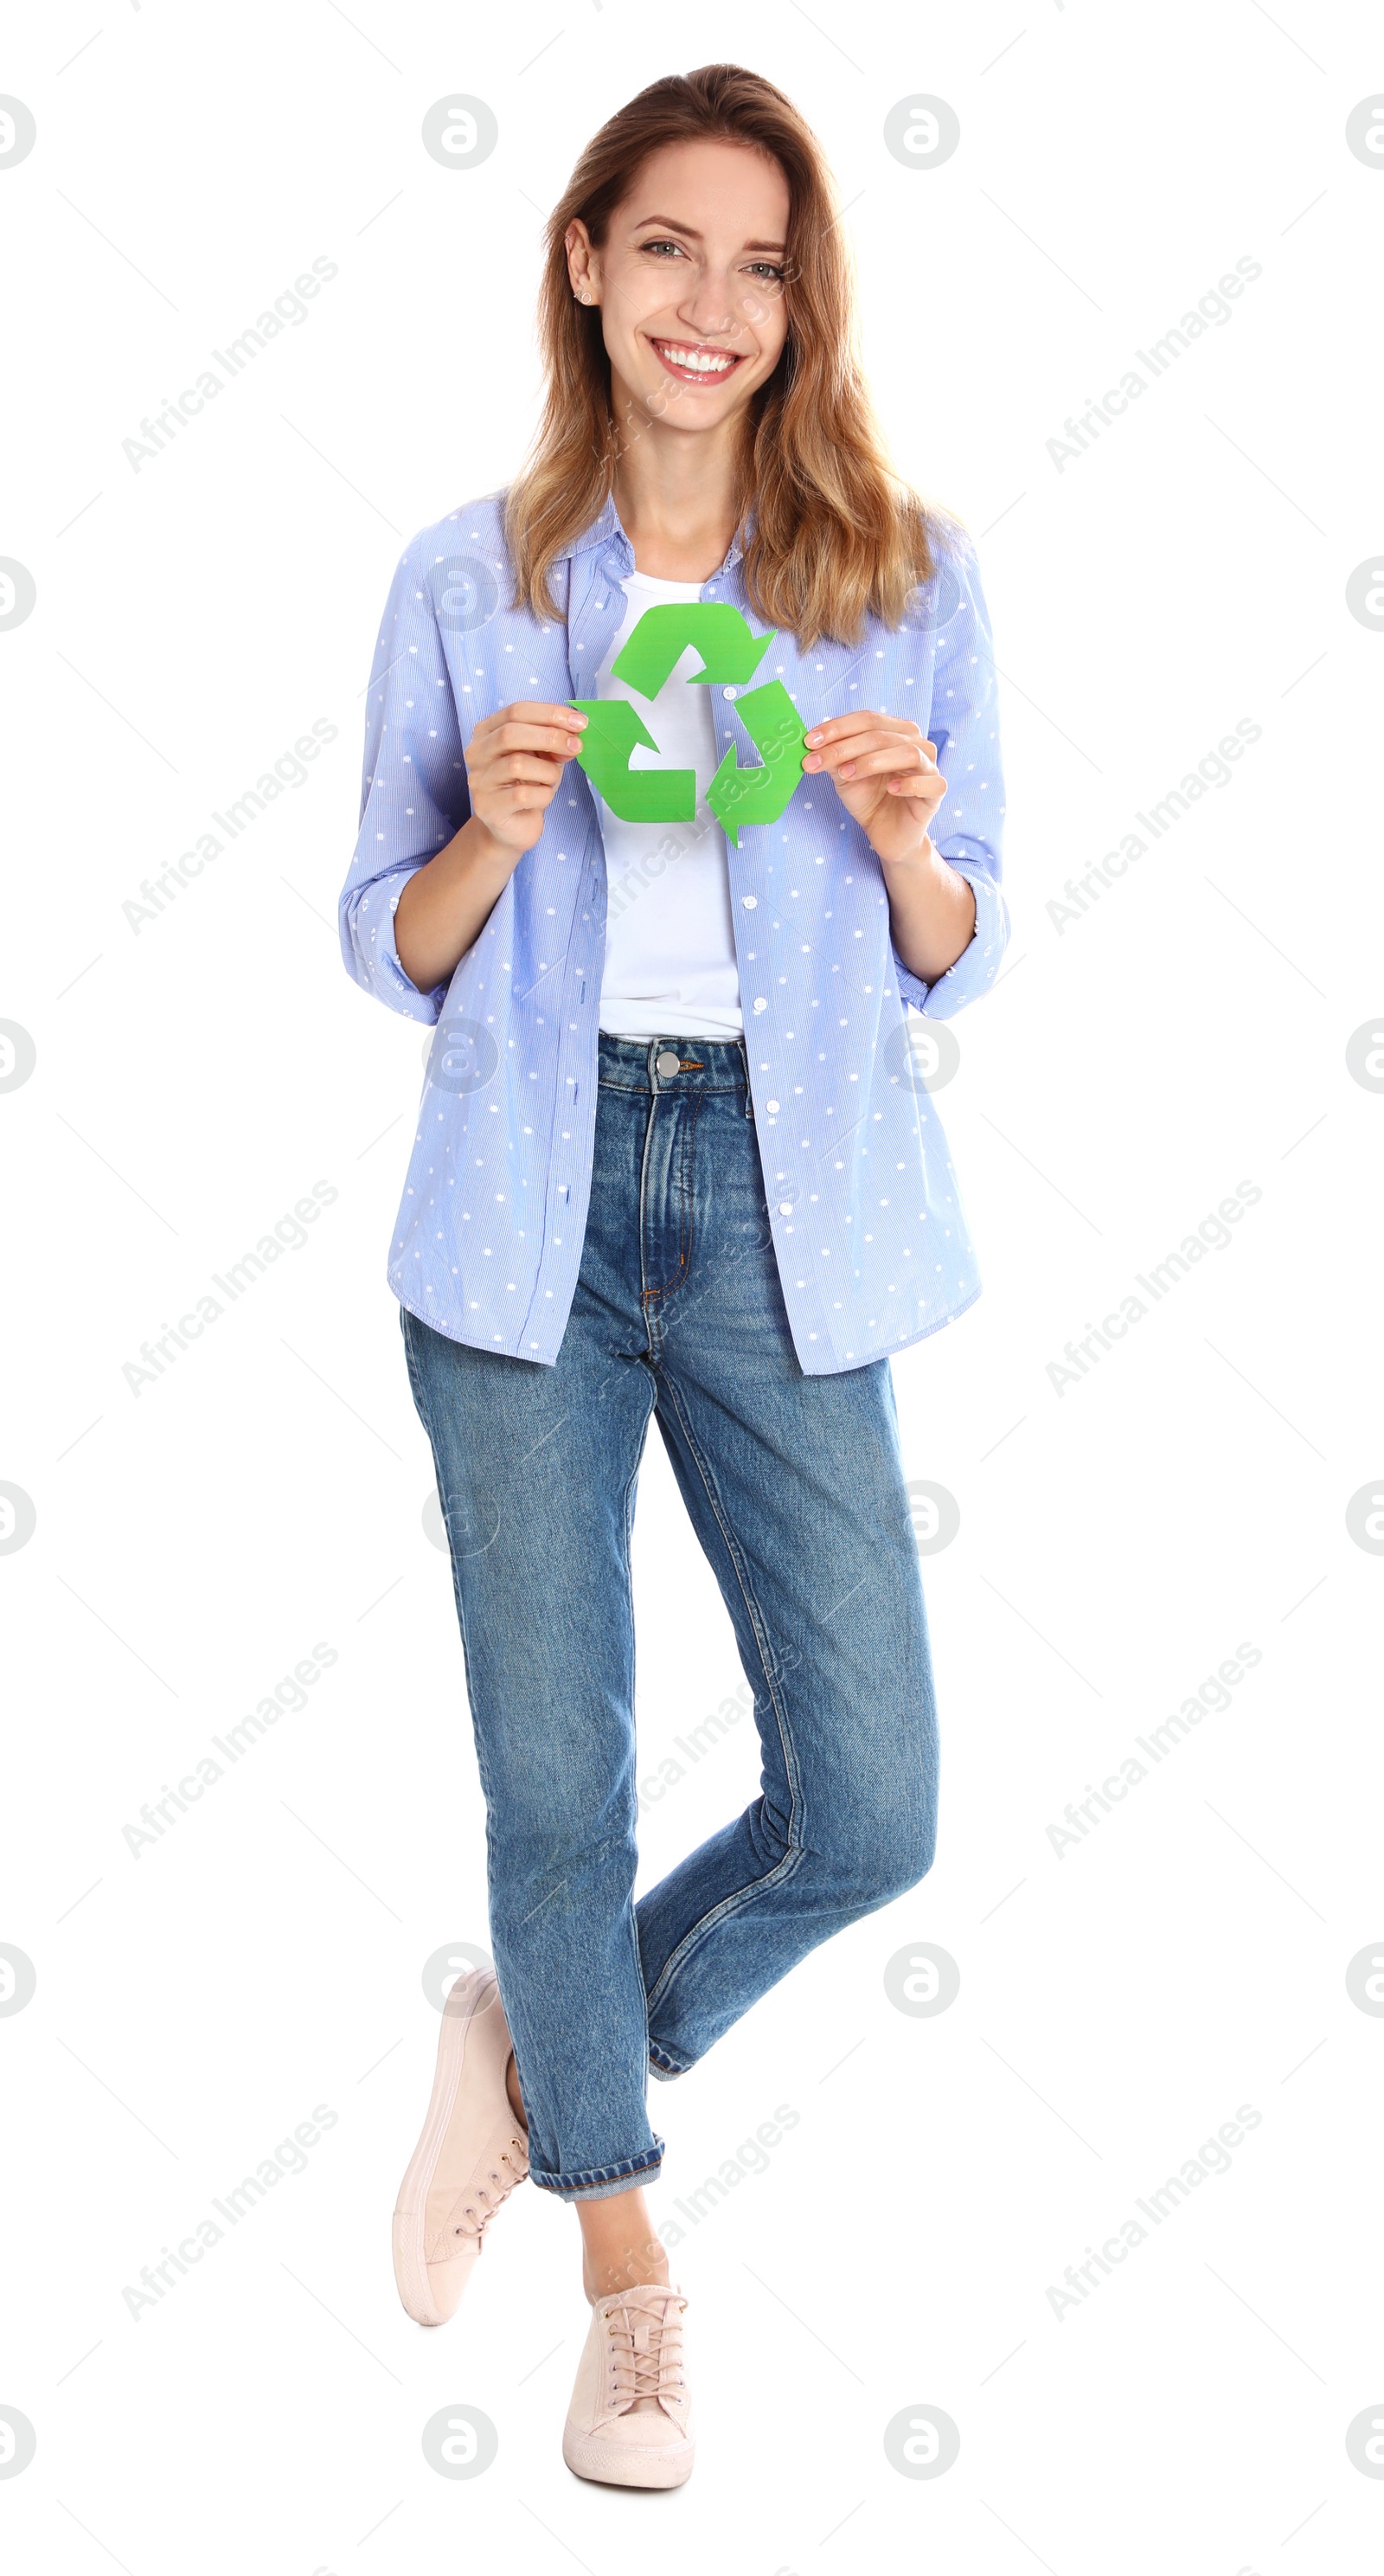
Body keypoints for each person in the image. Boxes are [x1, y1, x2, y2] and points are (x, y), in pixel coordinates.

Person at [337, 61, 1007, 2490]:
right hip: (522, 1211)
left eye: (761, 263)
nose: (711, 307)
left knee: (877, 1801)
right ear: (588, 265)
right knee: (561, 1764)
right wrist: (494, 834)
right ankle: (629, 2280)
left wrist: (919, 853)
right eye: (669, 251)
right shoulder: (465, 578)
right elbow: (389, 947)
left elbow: (962, 948)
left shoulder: (902, 577)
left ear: (799, 300)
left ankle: (529, 2049)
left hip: (784, 1208)